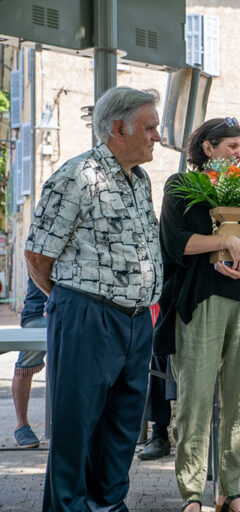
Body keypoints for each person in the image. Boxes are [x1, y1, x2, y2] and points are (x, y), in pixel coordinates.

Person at [25, 86, 164, 511]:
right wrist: (73, 301)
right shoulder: (75, 175)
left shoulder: (139, 180)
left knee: (123, 427)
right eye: (150, 127)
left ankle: (108, 504)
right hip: (88, 315)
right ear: (118, 129)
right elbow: (37, 254)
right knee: (76, 427)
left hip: (137, 321)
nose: (157, 136)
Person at [155, 117, 240, 512]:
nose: (238, 153)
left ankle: (230, 490)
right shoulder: (181, 186)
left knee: (239, 401)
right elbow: (174, 241)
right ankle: (192, 494)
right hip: (200, 299)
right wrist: (226, 238)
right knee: (194, 399)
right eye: (231, 146)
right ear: (208, 148)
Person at [7, 278, 47, 448]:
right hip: (38, 312)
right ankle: (21, 425)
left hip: (70, 314)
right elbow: (36, 265)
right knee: (26, 365)